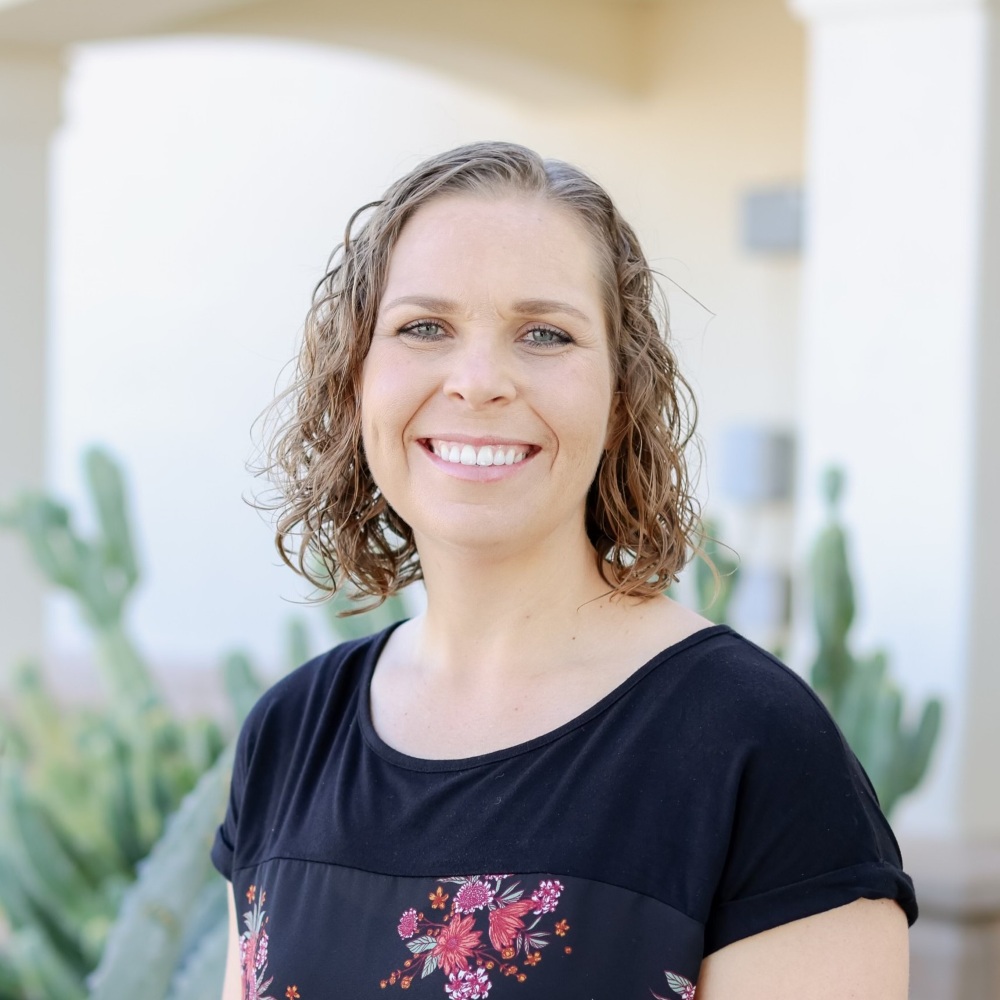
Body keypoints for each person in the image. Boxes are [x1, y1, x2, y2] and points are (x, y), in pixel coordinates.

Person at [213, 141, 915, 1000]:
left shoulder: (753, 747)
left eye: (544, 334)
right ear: (357, 378)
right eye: (423, 327)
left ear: (622, 395)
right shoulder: (291, 735)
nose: (478, 381)